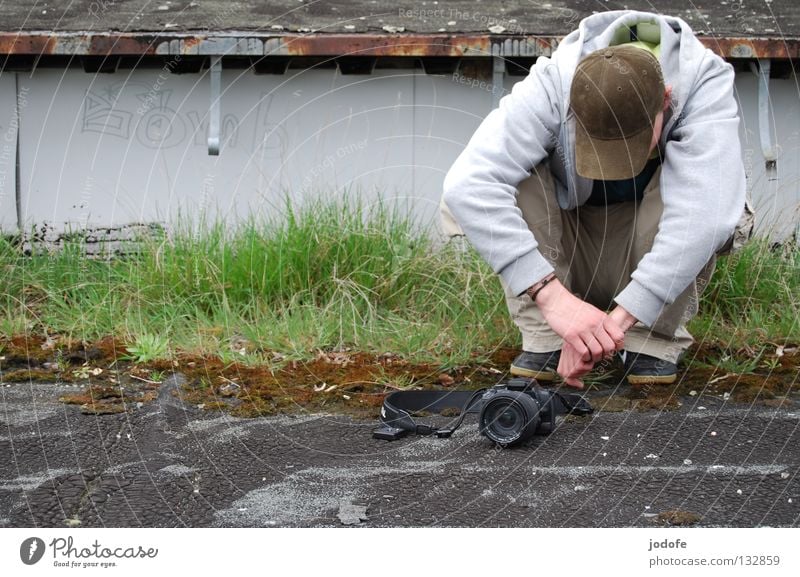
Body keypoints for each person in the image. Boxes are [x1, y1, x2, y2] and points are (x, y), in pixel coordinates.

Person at [440, 10, 749, 388]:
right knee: (501, 178)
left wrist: (614, 327)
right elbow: (466, 184)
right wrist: (554, 301)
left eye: (628, 144)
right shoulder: (554, 82)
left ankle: (650, 337)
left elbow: (708, 213)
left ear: (666, 99)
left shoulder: (702, 82)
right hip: (567, 249)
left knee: (711, 192)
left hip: (647, 242)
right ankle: (546, 337)